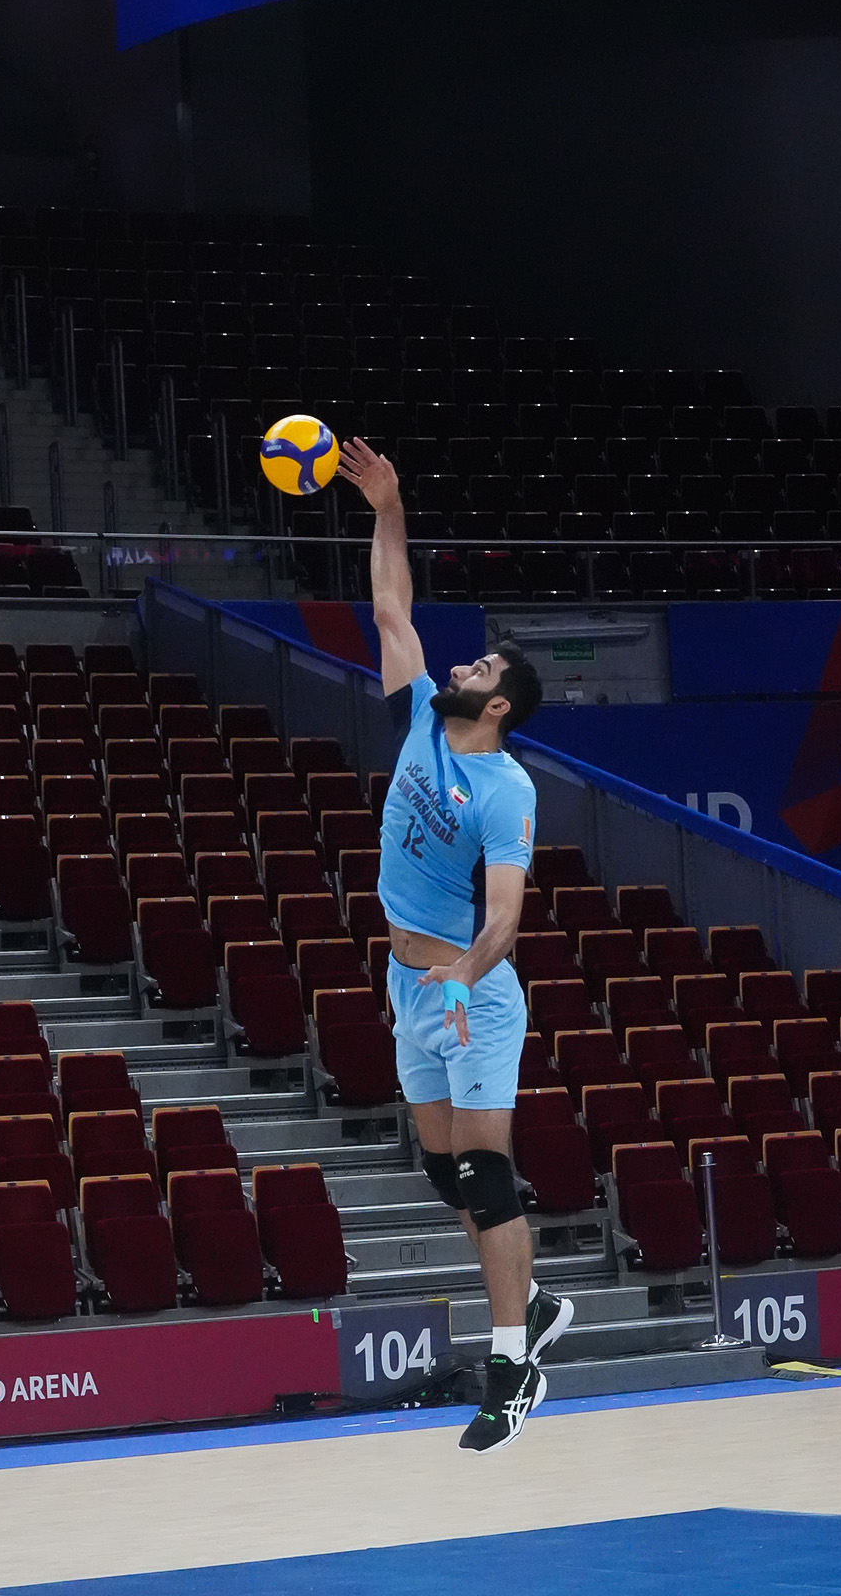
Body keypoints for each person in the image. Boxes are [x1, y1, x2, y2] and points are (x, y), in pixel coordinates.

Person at [336, 435, 571, 1453]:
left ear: (499, 703)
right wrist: (387, 506)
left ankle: (514, 1367)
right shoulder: (425, 724)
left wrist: (467, 980)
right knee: (443, 1174)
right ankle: (538, 1299)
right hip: (411, 985)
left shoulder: (507, 788)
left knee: (482, 1173)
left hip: (473, 995)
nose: (460, 666)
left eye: (478, 666)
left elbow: (507, 916)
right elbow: (391, 607)